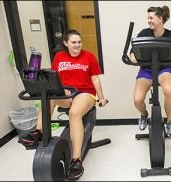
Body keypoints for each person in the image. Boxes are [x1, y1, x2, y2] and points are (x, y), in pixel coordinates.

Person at [19, 29, 107, 180]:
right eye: (74, 42)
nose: (77, 45)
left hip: (84, 93)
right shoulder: (59, 57)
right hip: (67, 93)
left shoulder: (89, 56)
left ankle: (76, 160)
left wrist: (101, 97)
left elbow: (95, 79)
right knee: (48, 97)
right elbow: (54, 78)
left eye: (79, 42)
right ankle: (39, 132)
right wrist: (60, 90)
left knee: (74, 113)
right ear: (66, 43)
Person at [129, 6, 171, 137]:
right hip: (146, 70)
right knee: (137, 99)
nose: (148, 20)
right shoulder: (143, 33)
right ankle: (144, 115)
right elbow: (132, 51)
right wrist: (132, 56)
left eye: (151, 18)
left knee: (169, 91)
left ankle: (169, 122)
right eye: (148, 18)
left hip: (163, 69)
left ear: (160, 19)